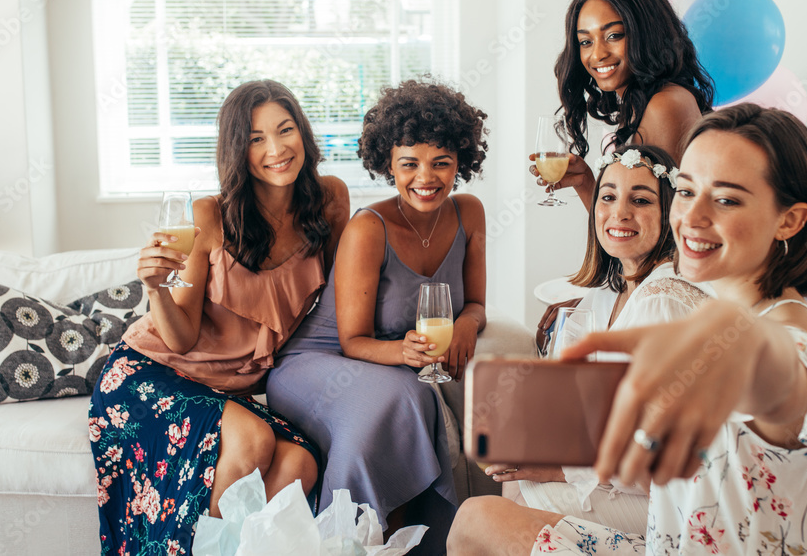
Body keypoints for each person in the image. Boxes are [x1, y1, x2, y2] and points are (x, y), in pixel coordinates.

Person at [449, 103, 807, 555]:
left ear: (790, 219)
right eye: (685, 191)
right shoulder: (726, 312)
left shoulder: (788, 337)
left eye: (725, 198)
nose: (692, 217)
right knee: (473, 521)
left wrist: (744, 344)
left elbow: (784, 371)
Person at [88, 80, 350, 555]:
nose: (275, 149)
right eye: (255, 138)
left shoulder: (329, 202)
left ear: (303, 134)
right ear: (238, 149)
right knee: (252, 440)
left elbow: (342, 301)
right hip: (155, 373)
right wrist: (154, 288)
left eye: (285, 130)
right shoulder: (210, 215)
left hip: (226, 390)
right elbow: (182, 338)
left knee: (299, 467)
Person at [267, 79, 488, 556]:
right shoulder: (370, 227)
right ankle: (345, 545)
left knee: (413, 393)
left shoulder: (470, 213)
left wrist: (468, 324)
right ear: (388, 164)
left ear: (461, 163)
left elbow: (475, 303)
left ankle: (401, 545)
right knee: (404, 395)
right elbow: (353, 341)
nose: (425, 178)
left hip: (389, 362)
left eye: (441, 163)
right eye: (409, 164)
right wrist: (403, 353)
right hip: (316, 361)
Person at [491, 145, 708, 532]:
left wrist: (557, 469)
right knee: (514, 486)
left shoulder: (662, 302)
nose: (619, 213)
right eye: (607, 197)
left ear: (672, 214)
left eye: (640, 200)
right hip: (620, 471)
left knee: (506, 507)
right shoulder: (609, 291)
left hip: (672, 500)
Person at [530, 0, 715, 211]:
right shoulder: (639, 105)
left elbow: (658, 232)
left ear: (647, 34)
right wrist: (585, 181)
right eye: (586, 42)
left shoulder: (665, 105)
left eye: (613, 36)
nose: (597, 54)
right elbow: (622, 227)